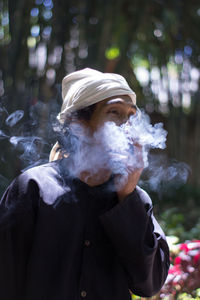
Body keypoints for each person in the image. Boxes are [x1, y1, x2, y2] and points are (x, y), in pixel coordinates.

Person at [0, 68, 169, 300]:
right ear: (77, 124)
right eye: (114, 112)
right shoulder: (33, 188)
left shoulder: (135, 199)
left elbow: (149, 285)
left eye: (131, 116)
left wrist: (127, 198)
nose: (127, 126)